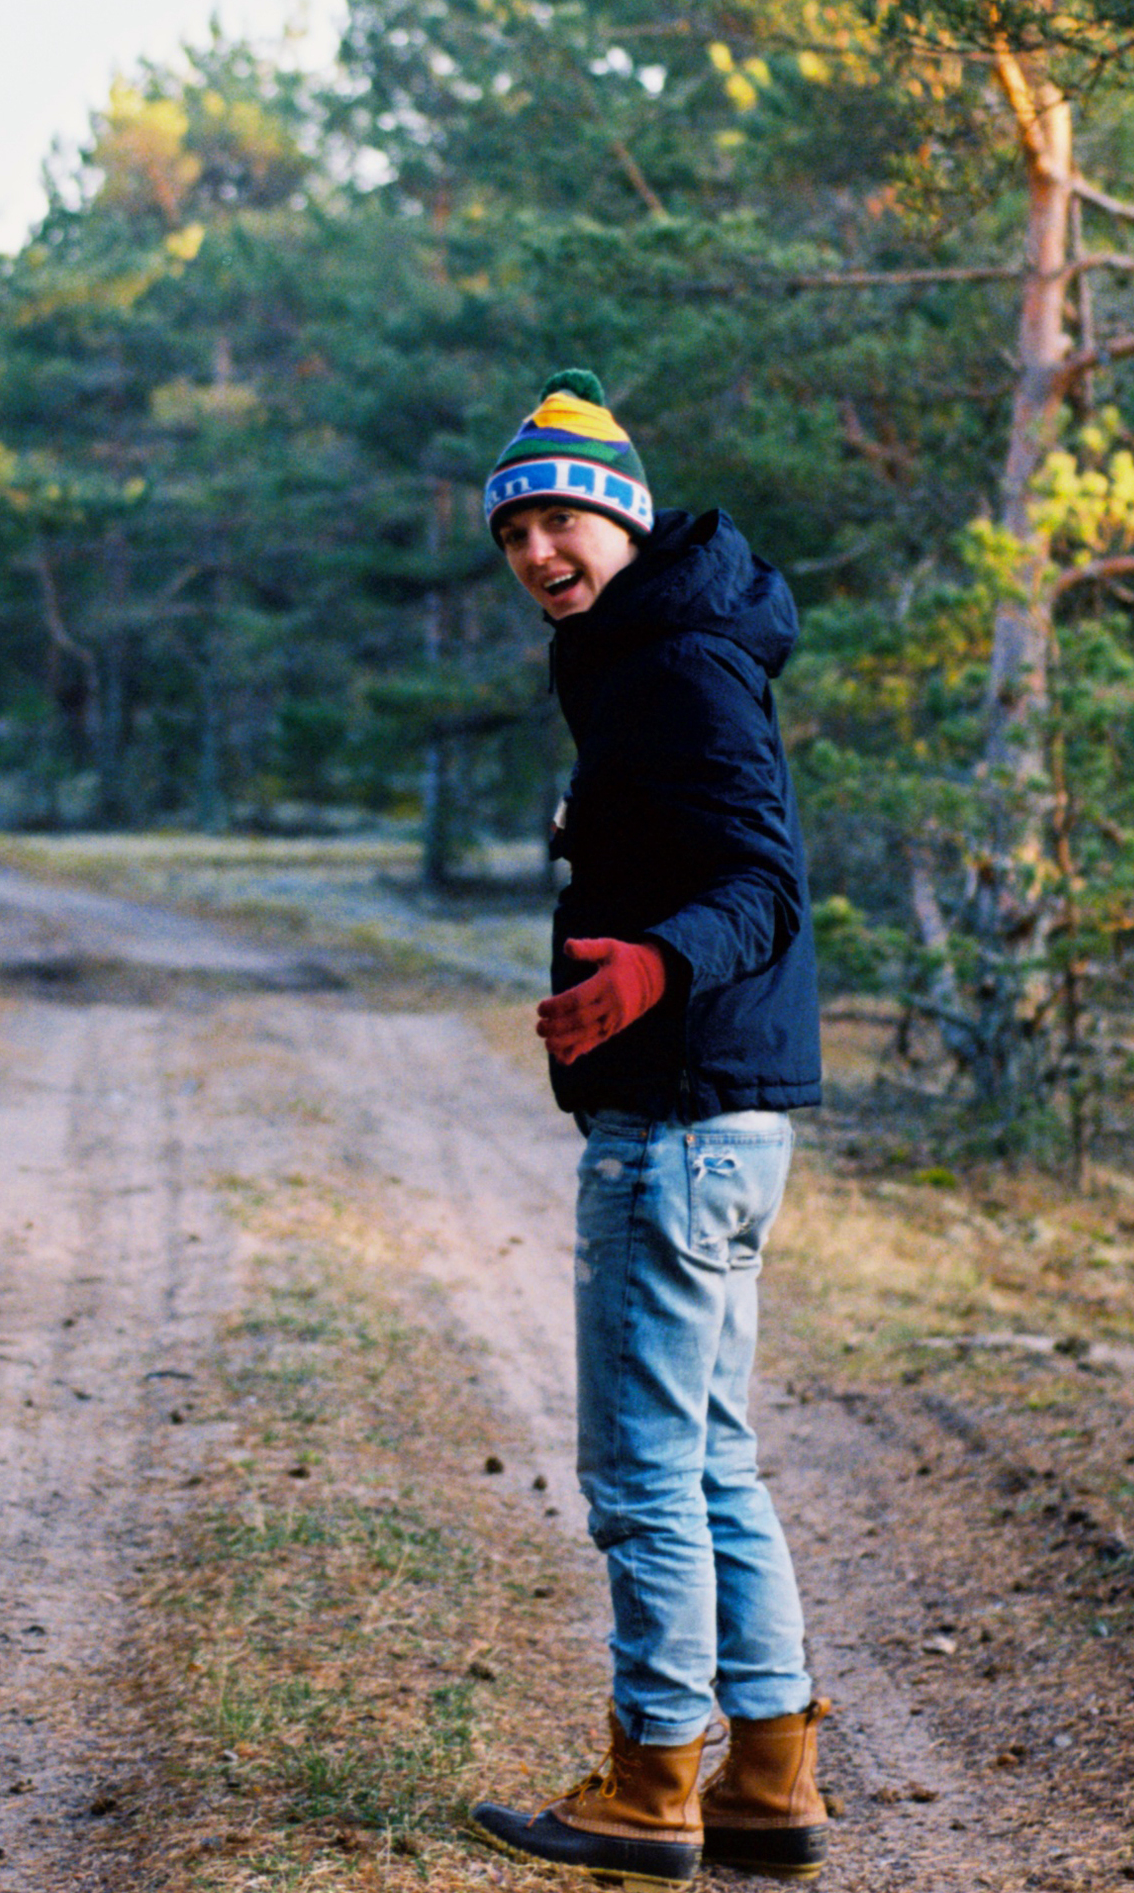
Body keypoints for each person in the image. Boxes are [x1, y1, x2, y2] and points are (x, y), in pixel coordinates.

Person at [463, 369, 831, 1888]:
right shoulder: (655, 648)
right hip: (719, 1117)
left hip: (676, 1120)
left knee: (641, 1470)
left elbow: (764, 880)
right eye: (517, 527)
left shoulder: (675, 664)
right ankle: (768, 1774)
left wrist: (648, 968)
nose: (543, 547)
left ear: (621, 516)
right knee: (715, 1455)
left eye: (565, 515)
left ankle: (650, 1782)